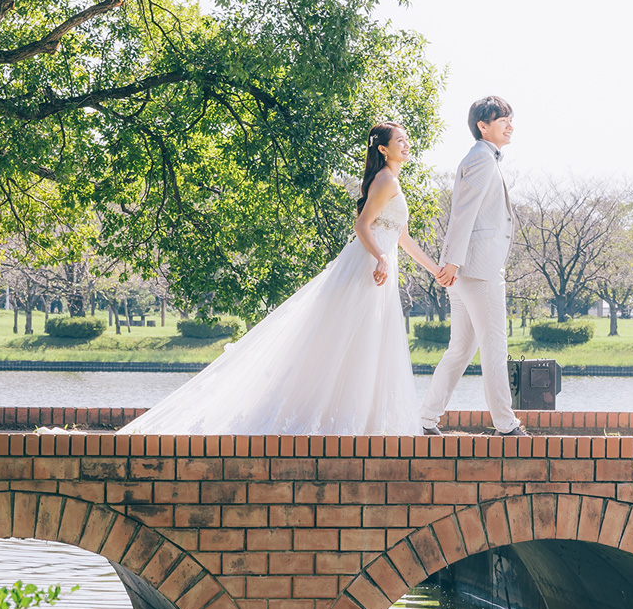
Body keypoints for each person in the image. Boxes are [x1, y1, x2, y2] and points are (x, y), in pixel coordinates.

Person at [120, 123, 442, 436]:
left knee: (365, 342)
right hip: (368, 268)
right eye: (400, 140)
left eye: (406, 139)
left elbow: (403, 238)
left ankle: (356, 424)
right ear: (383, 149)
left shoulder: (392, 181)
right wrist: (381, 257)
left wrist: (434, 269)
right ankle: (339, 423)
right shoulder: (386, 180)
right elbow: (363, 225)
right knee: (349, 340)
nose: (406, 143)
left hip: (377, 269)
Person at [419, 96, 526, 437]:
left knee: (460, 350)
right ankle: (506, 426)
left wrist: (453, 264)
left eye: (511, 119)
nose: (510, 125)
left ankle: (426, 418)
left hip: (467, 270)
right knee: (494, 348)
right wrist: (452, 261)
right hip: (477, 271)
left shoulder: (483, 158)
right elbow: (462, 212)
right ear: (483, 125)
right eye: (503, 120)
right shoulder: (481, 158)